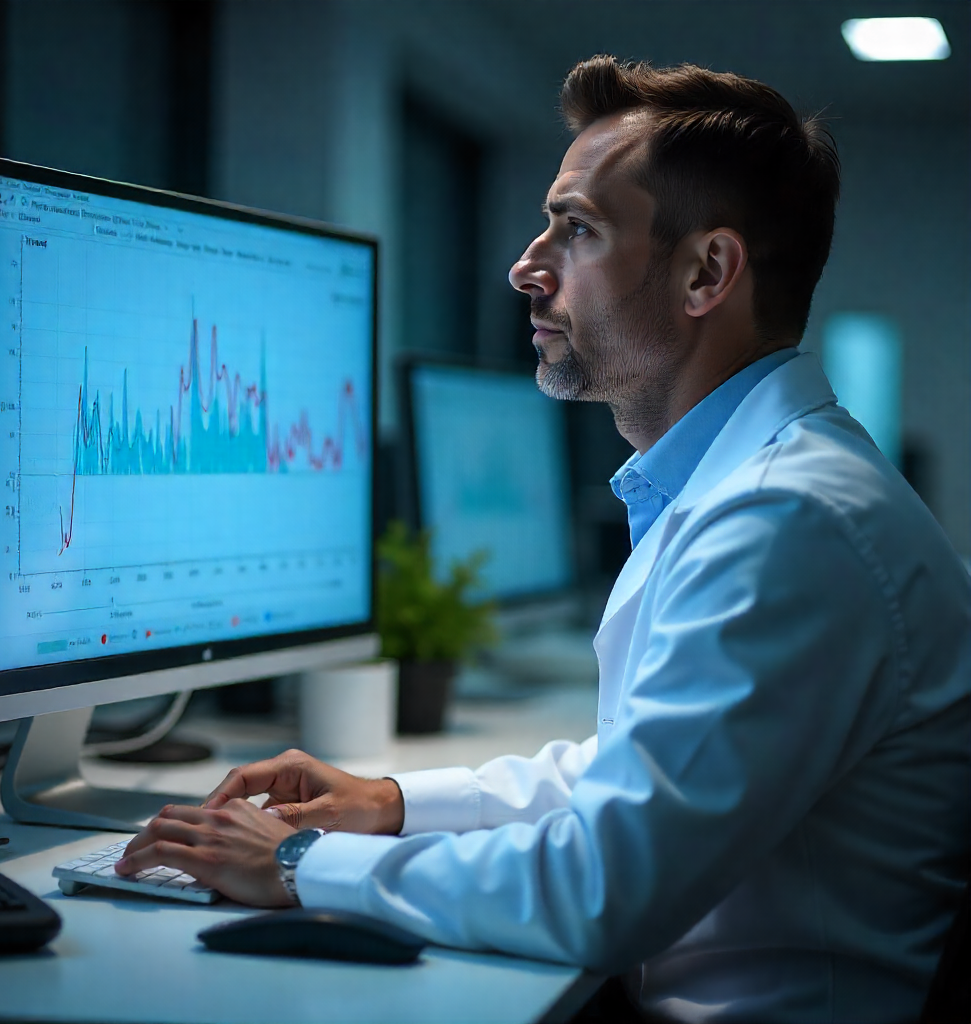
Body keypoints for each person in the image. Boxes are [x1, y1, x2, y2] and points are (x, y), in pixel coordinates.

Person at [116, 57, 971, 1023]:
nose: (527, 265)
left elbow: (604, 889)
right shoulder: (757, 485)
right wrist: (391, 803)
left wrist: (302, 861)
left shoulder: (788, 519)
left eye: (578, 230)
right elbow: (635, 772)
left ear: (706, 273)